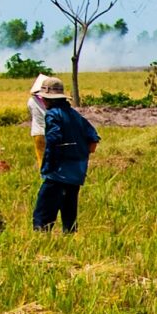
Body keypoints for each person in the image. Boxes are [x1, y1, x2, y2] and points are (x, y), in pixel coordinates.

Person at [33, 78, 100, 233]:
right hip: (76, 174)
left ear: (45, 99)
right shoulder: (75, 115)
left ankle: (41, 243)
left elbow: (53, 141)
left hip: (57, 174)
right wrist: (79, 154)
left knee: (43, 214)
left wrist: (48, 168)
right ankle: (69, 241)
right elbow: (93, 142)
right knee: (69, 215)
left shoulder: (52, 115)